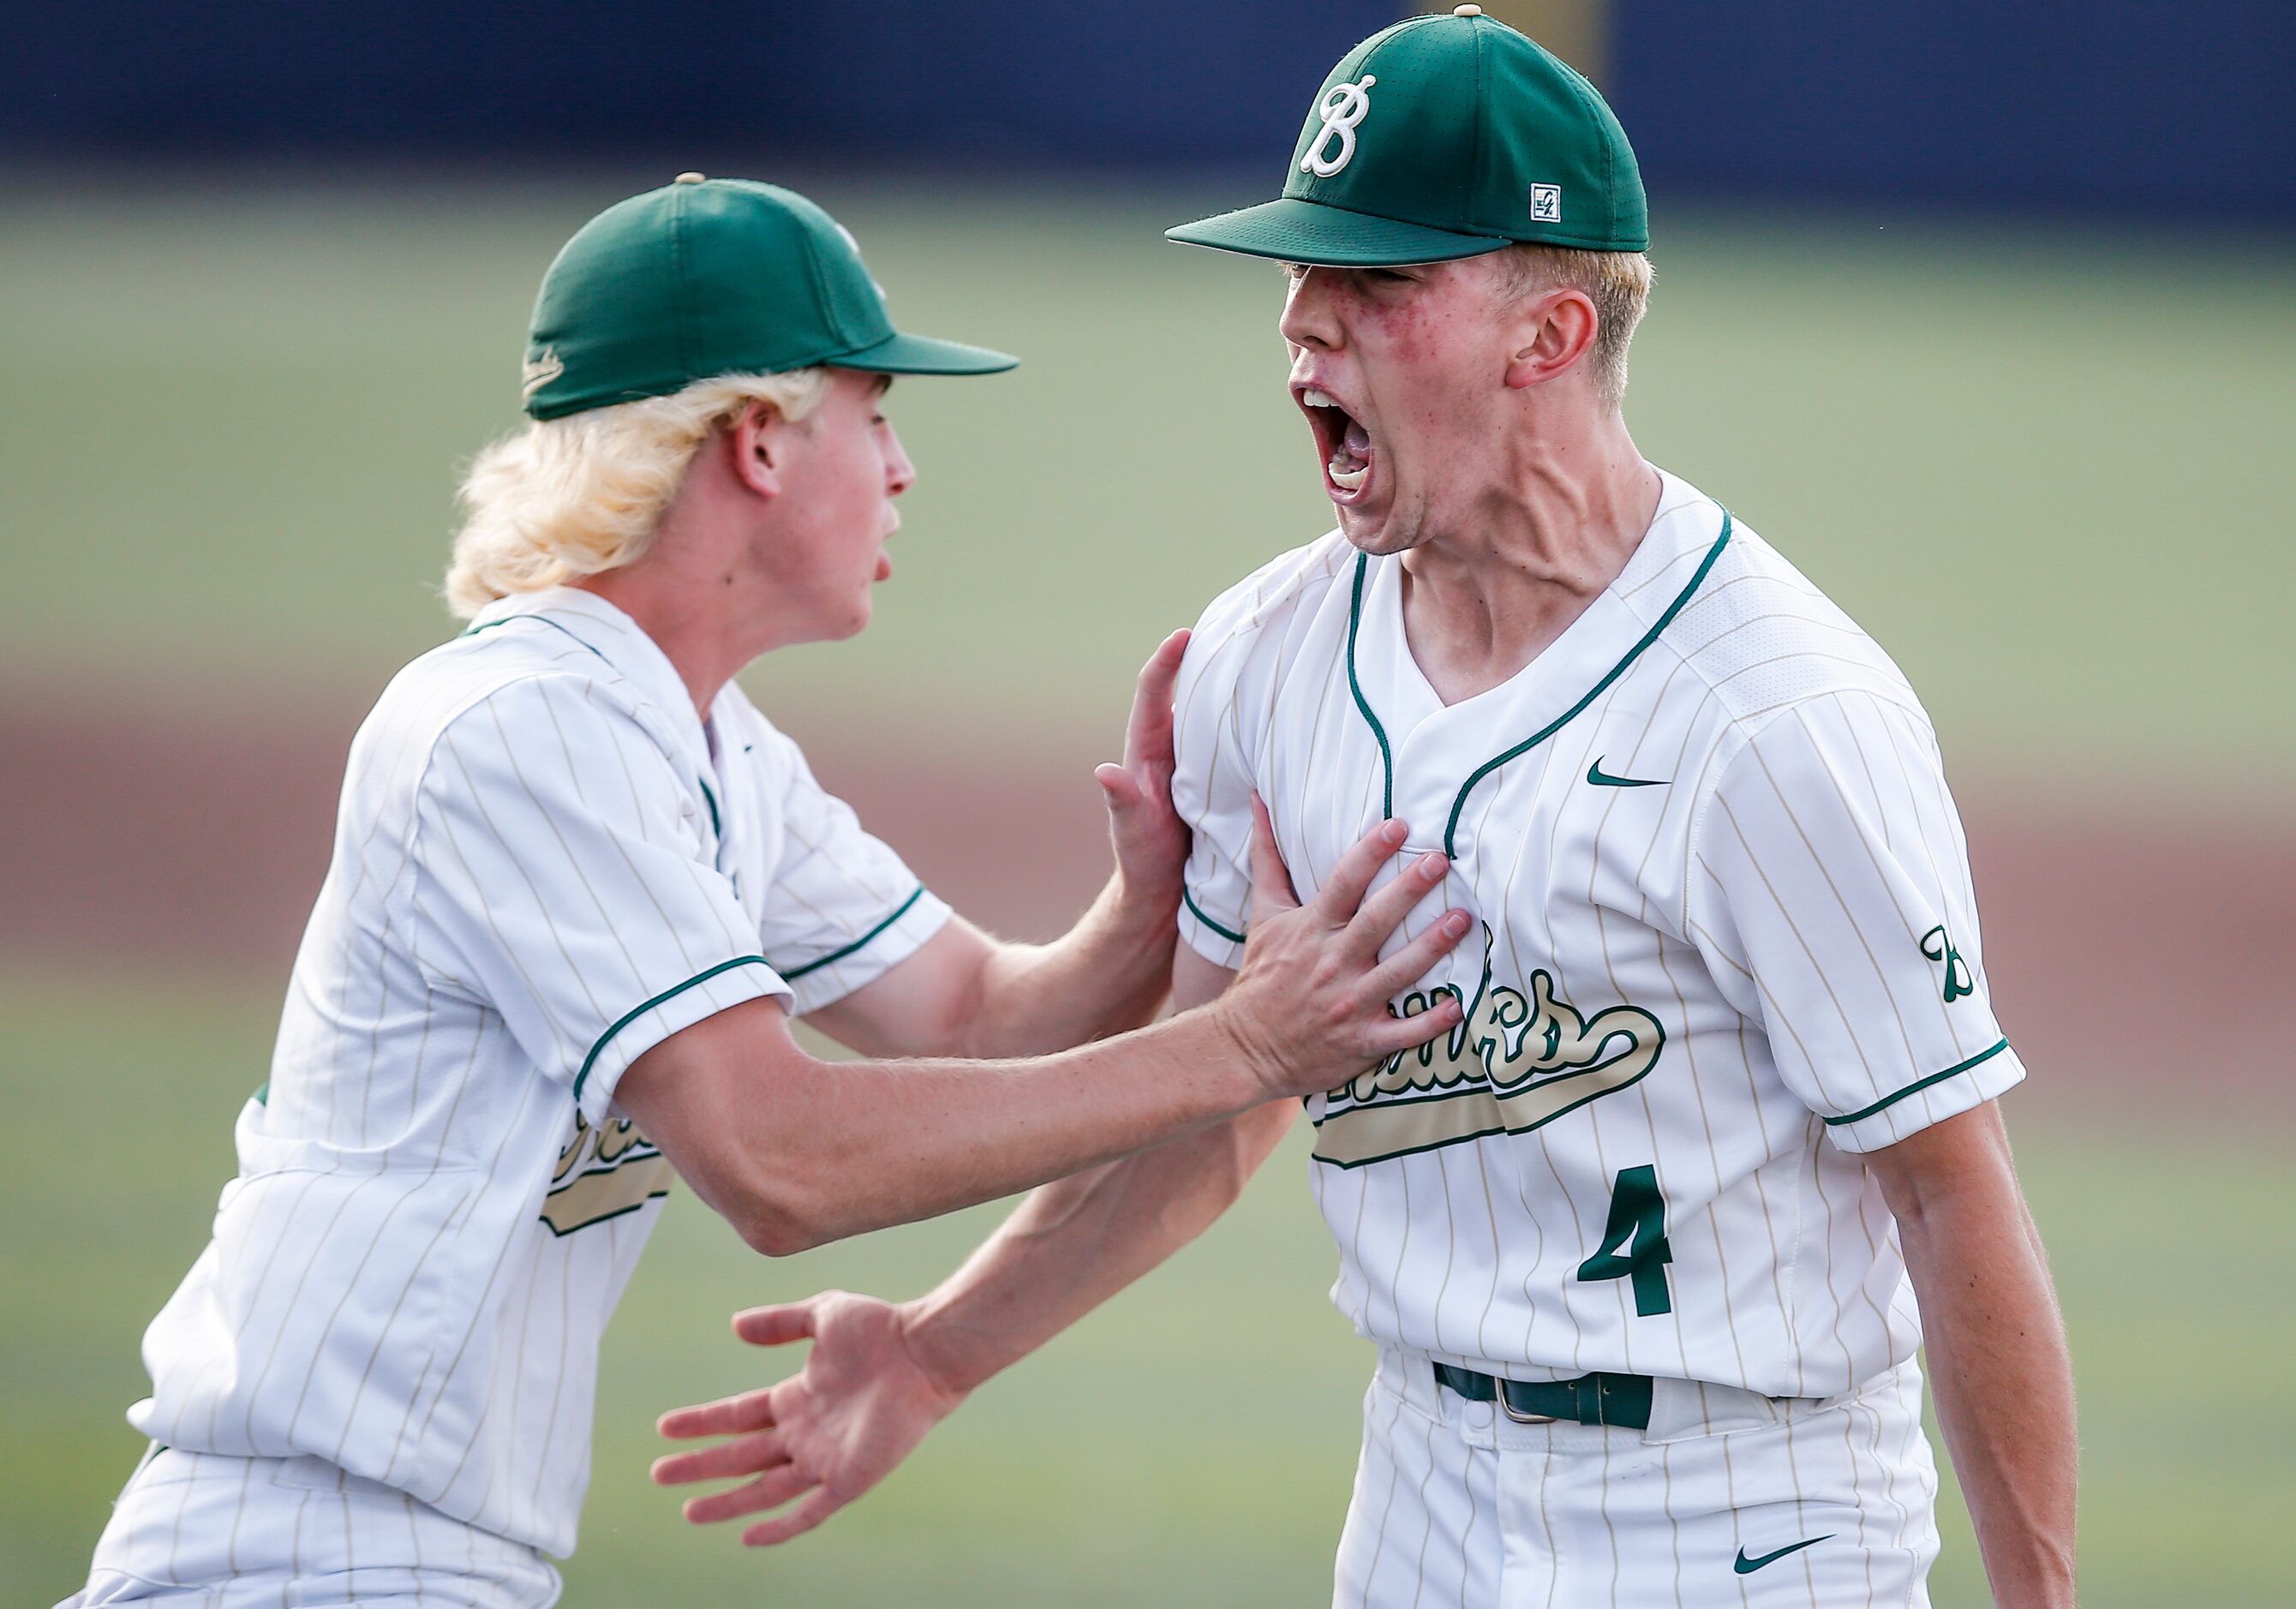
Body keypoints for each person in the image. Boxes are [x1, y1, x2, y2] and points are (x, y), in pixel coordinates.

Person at [655, 17, 2078, 1607]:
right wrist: (934, 1353)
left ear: (1545, 334)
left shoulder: (1779, 718)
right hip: (1421, 1501)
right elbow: (1209, 1108)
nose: (1301, 327)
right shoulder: (1264, 666)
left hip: (1746, 1516)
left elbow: (1952, 1192)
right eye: (1298, 277)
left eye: (1377, 286)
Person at [60, 174, 1471, 1608]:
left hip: (406, 1554)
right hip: (305, 1554)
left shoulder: (703, 741)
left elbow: (976, 1015)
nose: (905, 466)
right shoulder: (522, 728)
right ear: (755, 443)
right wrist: (1239, 1045)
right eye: (873, 413)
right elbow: (776, 1156)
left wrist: (1147, 909)